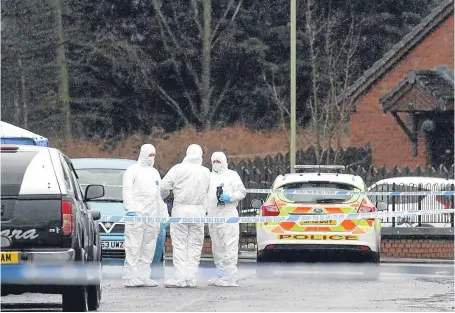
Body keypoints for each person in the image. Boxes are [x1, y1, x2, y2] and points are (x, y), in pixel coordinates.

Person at [160, 144, 211, 288]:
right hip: (198, 212)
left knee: (180, 244)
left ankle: (180, 278)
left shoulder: (178, 169)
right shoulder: (206, 172)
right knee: (195, 245)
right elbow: (210, 192)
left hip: (180, 211)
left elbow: (163, 186)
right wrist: (205, 209)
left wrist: (164, 197)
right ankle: (191, 278)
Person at [122, 144, 169, 287]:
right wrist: (130, 208)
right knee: (133, 246)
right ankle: (130, 276)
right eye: (149, 154)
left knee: (149, 246)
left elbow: (159, 196)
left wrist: (163, 214)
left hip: (152, 215)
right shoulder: (132, 170)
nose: (152, 158)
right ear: (142, 154)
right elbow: (127, 191)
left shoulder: (154, 173)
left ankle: (143, 276)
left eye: (153, 155)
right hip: (137, 214)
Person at [206, 151, 246, 287]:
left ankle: (230, 277)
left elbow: (242, 192)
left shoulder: (232, 176)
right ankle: (221, 275)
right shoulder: (208, 177)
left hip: (228, 215)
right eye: (214, 161)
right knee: (217, 246)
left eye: (219, 161)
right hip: (213, 216)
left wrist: (230, 196)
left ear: (224, 162)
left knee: (229, 245)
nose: (216, 164)